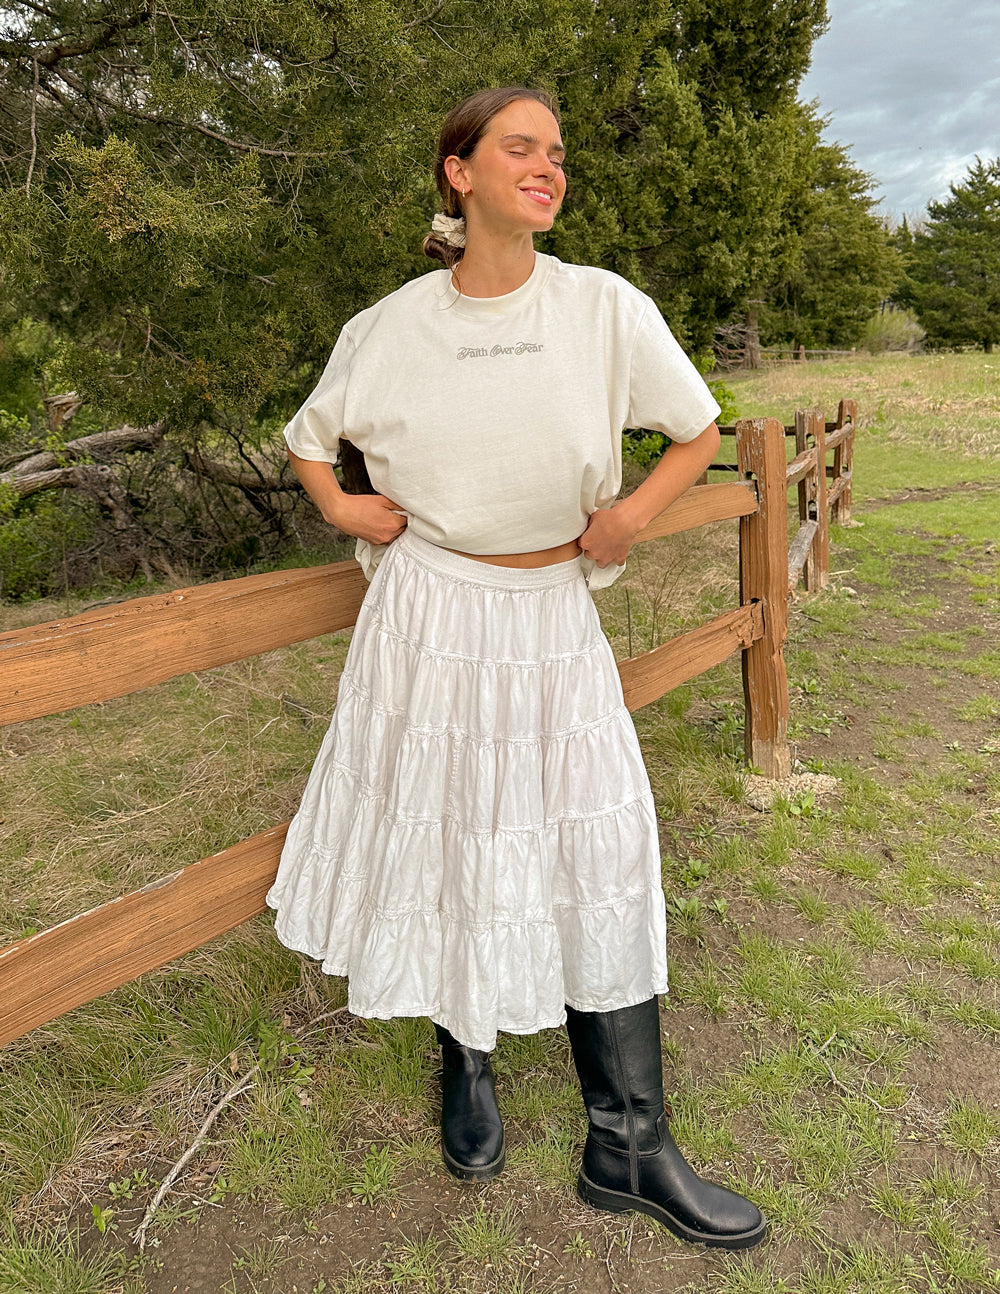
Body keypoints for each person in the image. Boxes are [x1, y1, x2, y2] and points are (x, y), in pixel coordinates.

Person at [266, 86, 767, 1252]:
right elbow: (307, 438)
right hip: (430, 609)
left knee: (597, 841)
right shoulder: (389, 326)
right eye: (521, 148)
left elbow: (695, 430)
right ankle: (467, 1064)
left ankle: (627, 1143)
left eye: (557, 153)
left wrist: (631, 515)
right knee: (455, 826)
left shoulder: (601, 307)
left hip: (552, 607)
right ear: (460, 172)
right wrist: (340, 502)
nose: (548, 167)